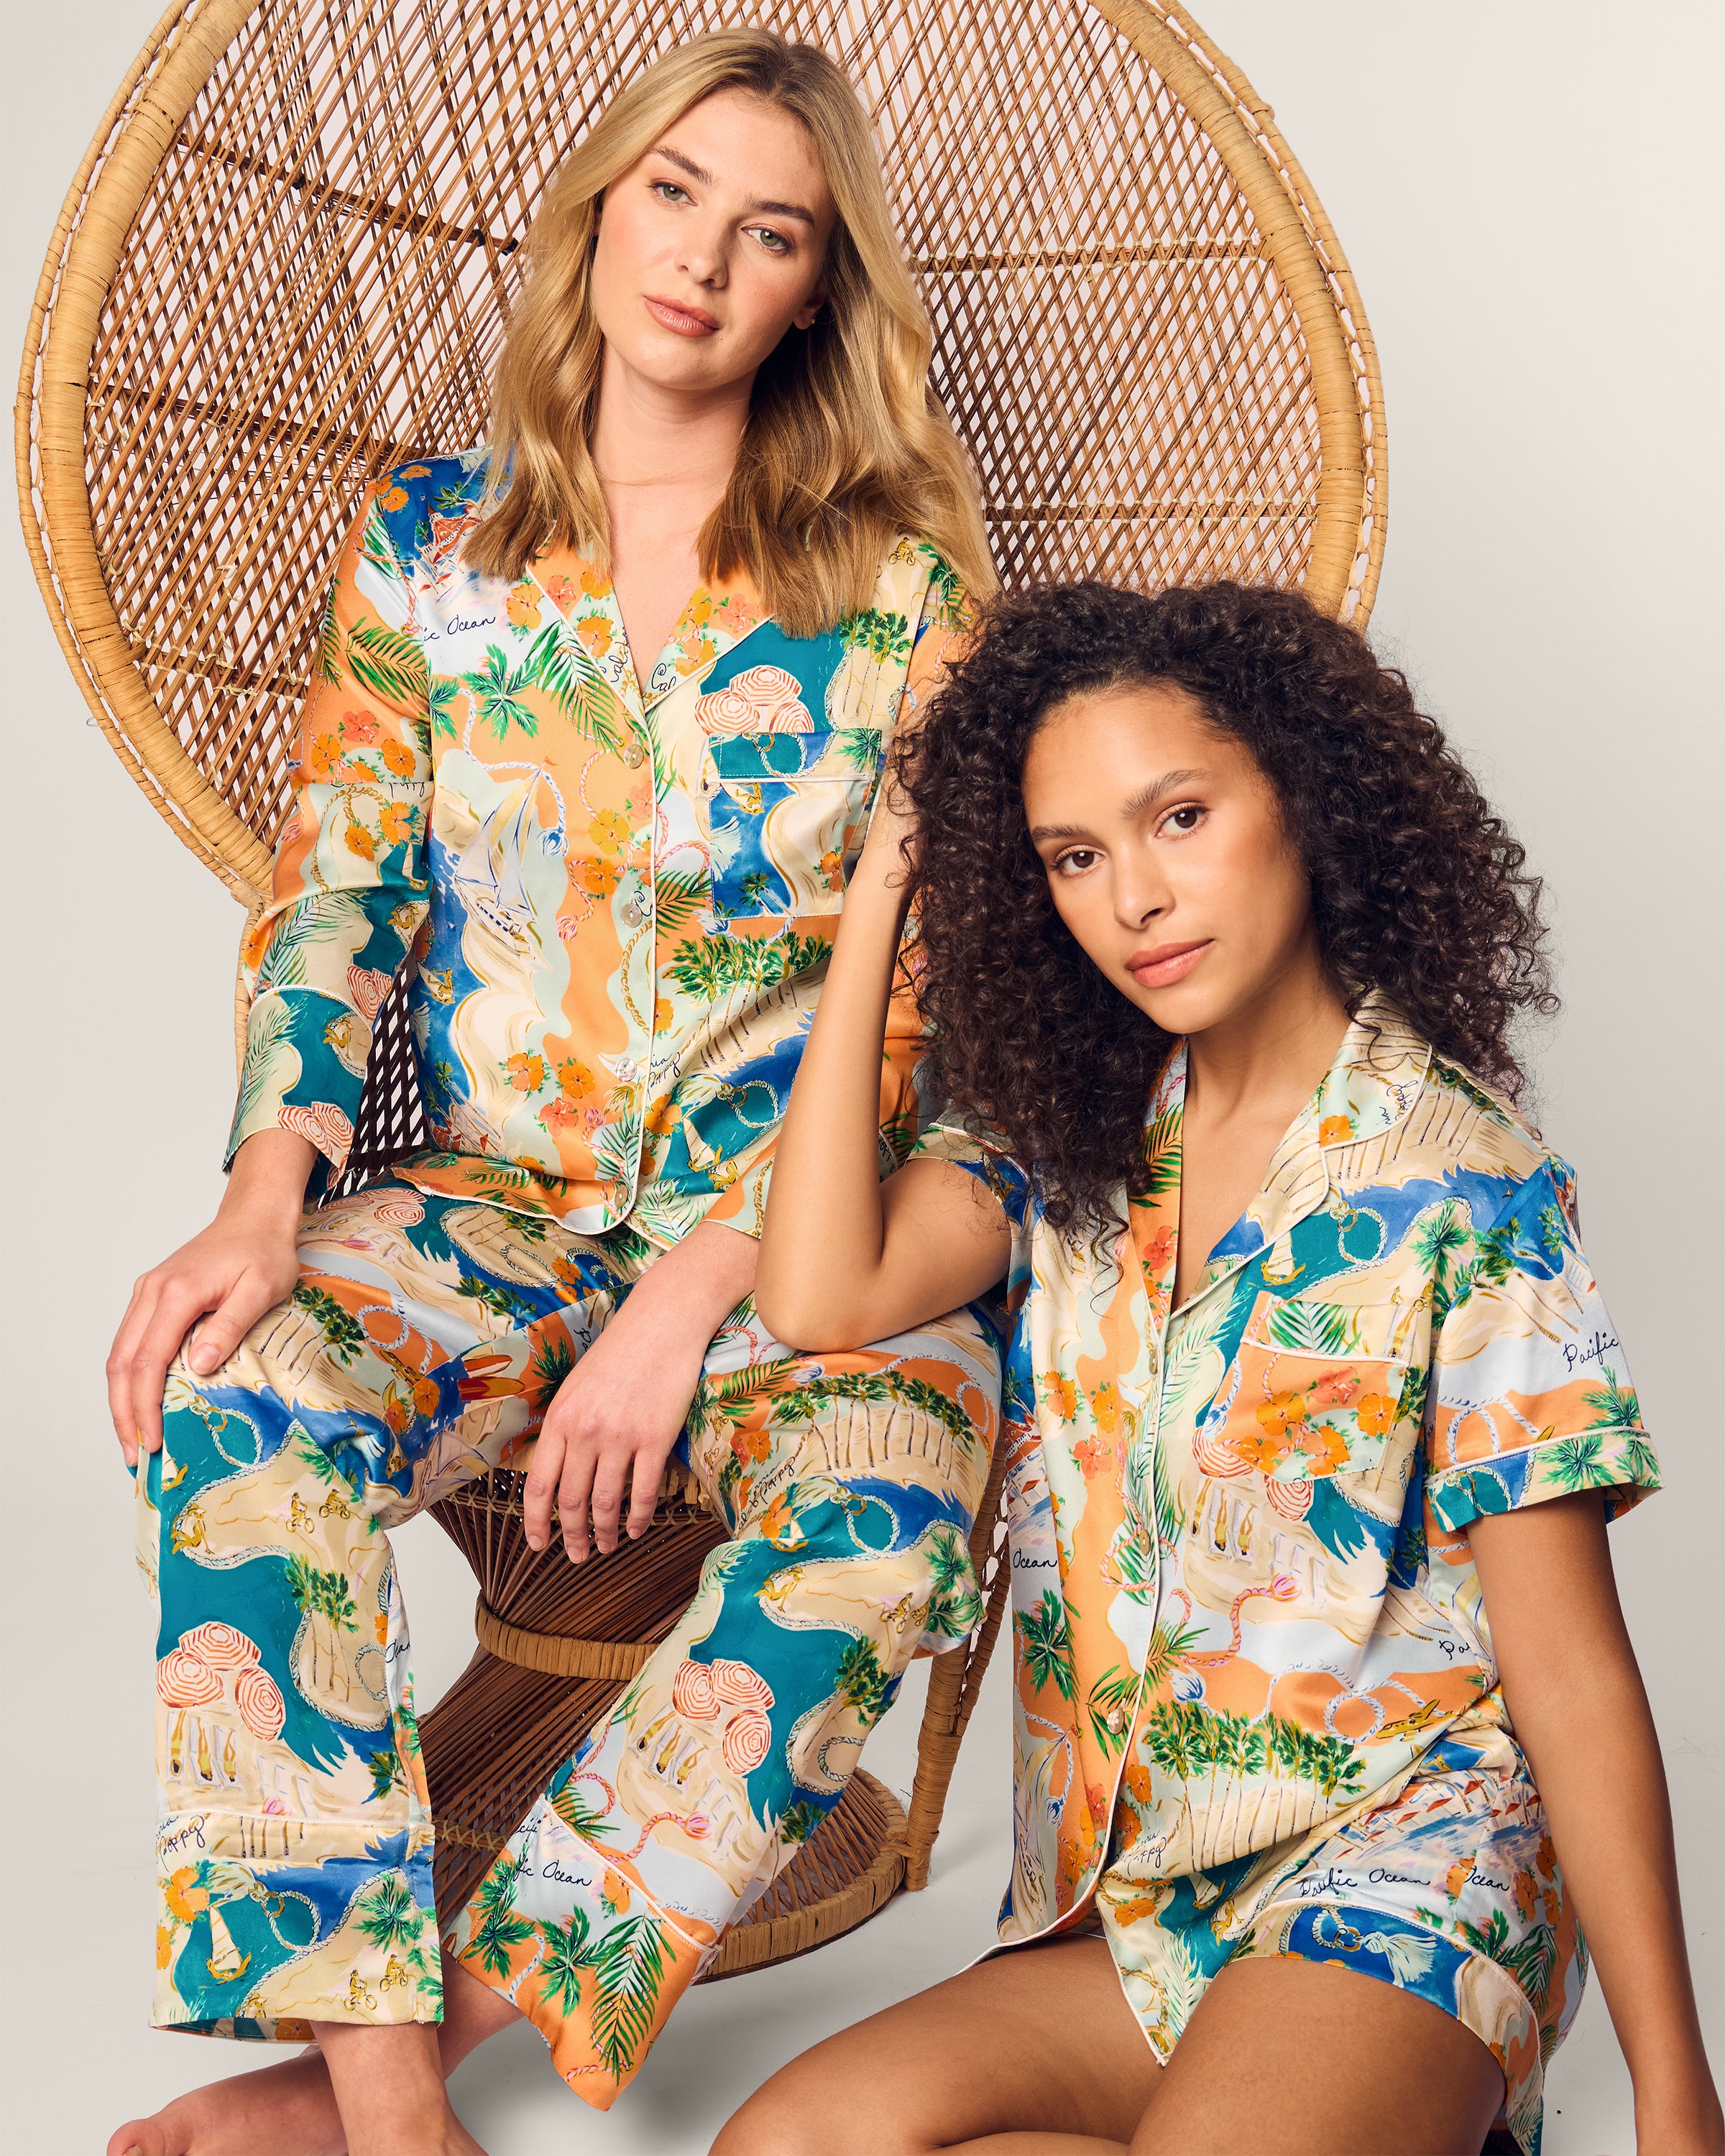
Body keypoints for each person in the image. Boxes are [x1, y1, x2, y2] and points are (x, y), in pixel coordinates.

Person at [106, 31, 1000, 2156]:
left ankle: (446, 2047)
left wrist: (695, 1299)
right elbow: (339, 896)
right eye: (675, 193)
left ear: (814, 297)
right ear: (603, 210)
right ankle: (393, 2108)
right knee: (239, 1407)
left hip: (803, 1224)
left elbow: (911, 1010)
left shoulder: (903, 590)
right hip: (489, 1202)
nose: (703, 258)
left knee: (888, 1506)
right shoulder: (429, 547)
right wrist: (260, 1199)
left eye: (769, 231)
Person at [729, 581, 1724, 2156]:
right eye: (1073, 857)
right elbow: (818, 1287)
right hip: (1147, 1894)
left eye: (1179, 816)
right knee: (786, 2147)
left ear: (1301, 796)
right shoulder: (1070, 1143)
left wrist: (1680, 2101)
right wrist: (885, 890)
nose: (1136, 897)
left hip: (1409, 1867)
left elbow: (1573, 1667)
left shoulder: (1465, 1185)